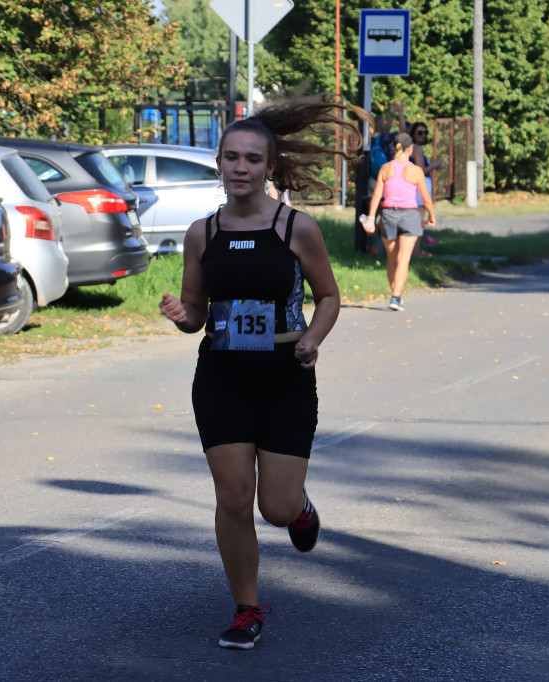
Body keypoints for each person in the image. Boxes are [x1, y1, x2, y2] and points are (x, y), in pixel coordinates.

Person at [159, 93, 367, 650]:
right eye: (232, 157)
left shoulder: (294, 228)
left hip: (284, 374)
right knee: (232, 495)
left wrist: (313, 340)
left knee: (273, 506)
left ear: (269, 167)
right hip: (222, 375)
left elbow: (328, 296)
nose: (241, 168)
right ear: (219, 163)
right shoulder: (202, 233)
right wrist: (183, 317)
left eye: (253, 159)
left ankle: (299, 508)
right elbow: (197, 312)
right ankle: (247, 608)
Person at [364, 132, 436, 311]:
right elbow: (426, 198)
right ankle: (395, 297)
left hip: (388, 215)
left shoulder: (385, 168)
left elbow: (376, 196)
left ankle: (396, 294)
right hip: (410, 216)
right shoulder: (415, 170)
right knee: (403, 259)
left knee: (392, 259)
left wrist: (372, 218)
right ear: (410, 148)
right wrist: (431, 215)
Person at [408, 121, 445, 254]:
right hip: (418, 191)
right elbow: (421, 170)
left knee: (419, 222)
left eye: (425, 132)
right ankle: (416, 253)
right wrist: (434, 164)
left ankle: (418, 251)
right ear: (413, 134)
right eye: (420, 132)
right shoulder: (416, 148)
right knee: (418, 222)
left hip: (419, 189)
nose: (423, 135)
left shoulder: (414, 148)